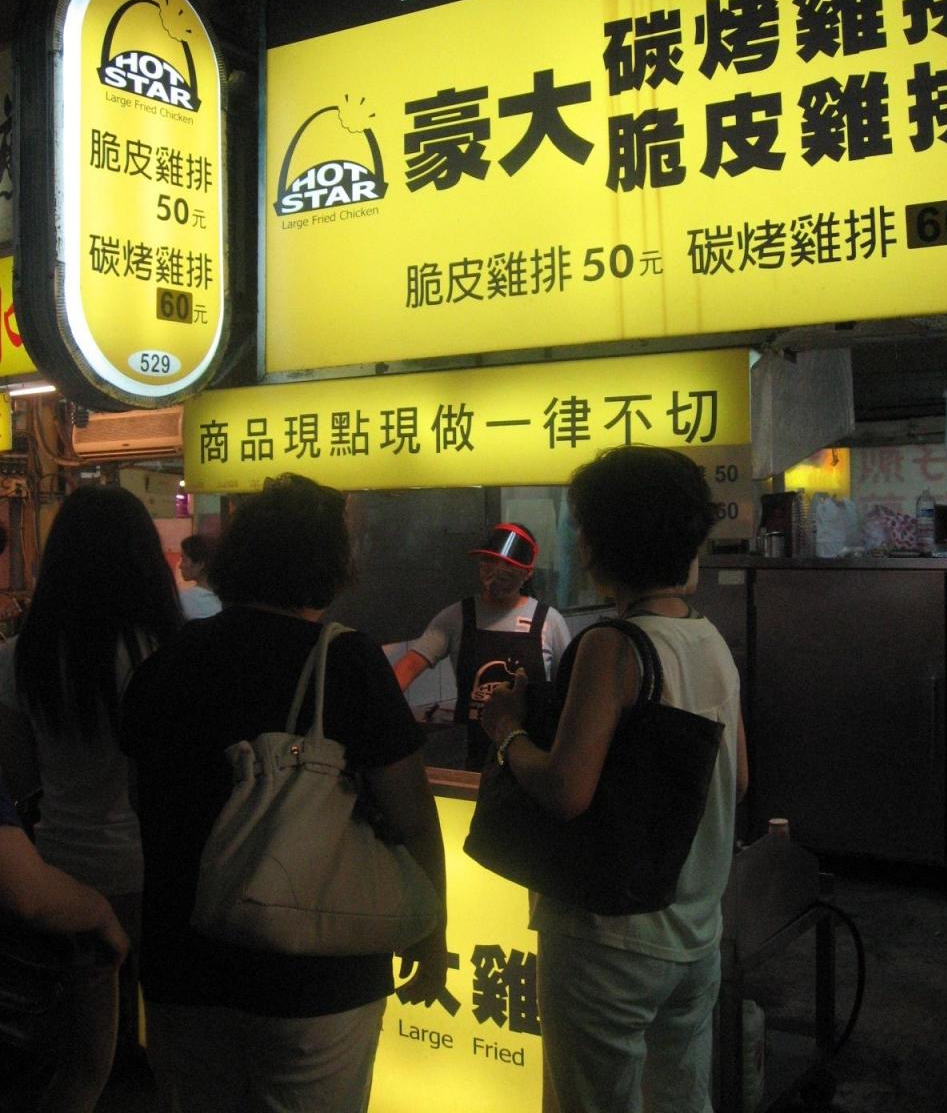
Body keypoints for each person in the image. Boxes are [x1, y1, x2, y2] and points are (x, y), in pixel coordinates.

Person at [121, 473, 446, 1113]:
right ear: (332, 566)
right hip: (320, 973)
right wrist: (431, 934)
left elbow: (141, 800)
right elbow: (412, 814)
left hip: (182, 964)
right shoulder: (346, 662)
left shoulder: (168, 662)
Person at [481, 447, 749, 1113]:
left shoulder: (612, 646)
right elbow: (738, 779)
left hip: (608, 946)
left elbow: (566, 792)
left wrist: (507, 732)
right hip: (695, 937)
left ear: (596, 544)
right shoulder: (708, 638)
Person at [0, 484, 183, 1091]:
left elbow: (18, 777)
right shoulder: (169, 654)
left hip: (62, 875)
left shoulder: (20, 658)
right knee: (173, 1051)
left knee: (84, 1064)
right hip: (158, 871)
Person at [392, 523, 571, 770]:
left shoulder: (549, 622)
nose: (498, 571)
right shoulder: (456, 617)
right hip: (475, 753)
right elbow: (409, 666)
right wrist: (380, 711)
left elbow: (570, 689)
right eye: (490, 561)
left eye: (507, 564)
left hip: (533, 756)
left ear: (527, 572)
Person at [0, 776, 129, 1112]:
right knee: (85, 1069)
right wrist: (101, 913)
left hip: (58, 852)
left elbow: (19, 769)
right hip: (119, 866)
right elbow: (24, 891)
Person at [178, 533, 222, 620]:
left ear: (200, 565)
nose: (180, 566)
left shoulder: (183, 600)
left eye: (184, 559)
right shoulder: (225, 599)